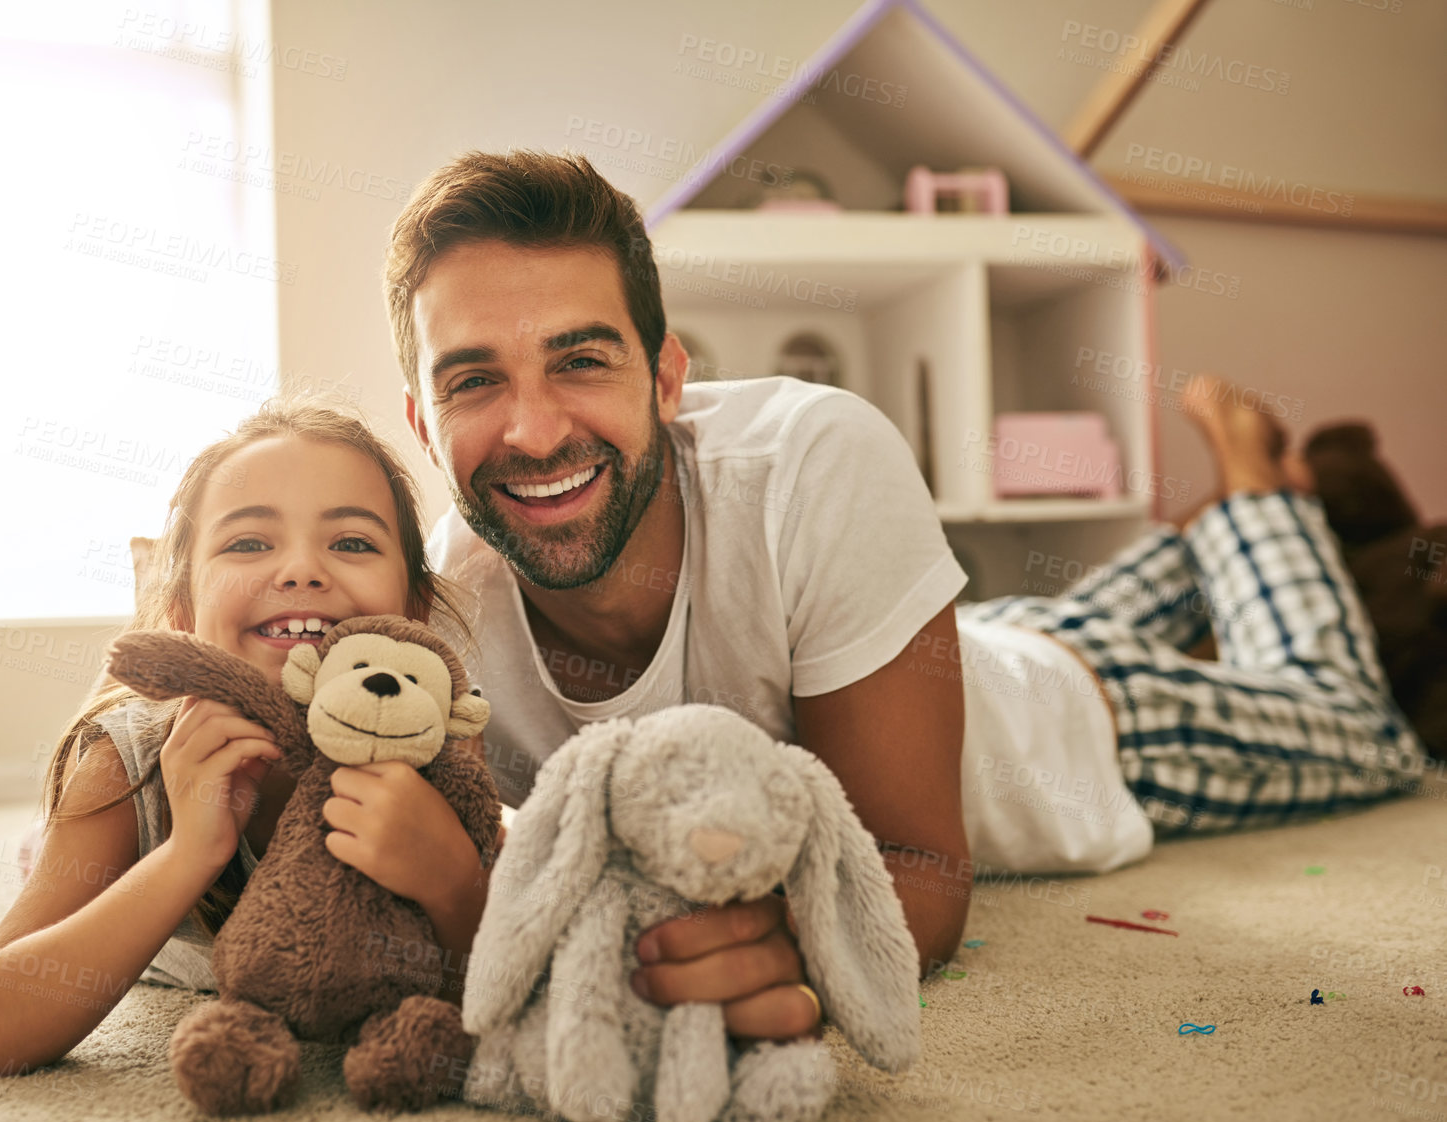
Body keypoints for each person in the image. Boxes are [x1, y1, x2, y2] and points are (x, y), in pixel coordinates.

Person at [386, 150, 1430, 1045]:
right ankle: (1216, 536)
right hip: (938, 651)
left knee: (1365, 731)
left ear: (666, 381)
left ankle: (1255, 493)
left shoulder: (816, 458)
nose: (531, 433)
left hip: (1076, 726)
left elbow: (921, 865)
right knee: (1051, 623)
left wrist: (785, 945)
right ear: (423, 425)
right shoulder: (440, 619)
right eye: (473, 381)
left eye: (580, 359)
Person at [0, 400, 490, 1077]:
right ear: (182, 613)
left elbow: (501, 985)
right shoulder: (127, 761)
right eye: (248, 542)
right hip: (143, 798)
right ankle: (155, 583)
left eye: (351, 542)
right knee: (47, 852)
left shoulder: (438, 742)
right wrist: (187, 852)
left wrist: (452, 882)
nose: (301, 570)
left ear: (413, 611)